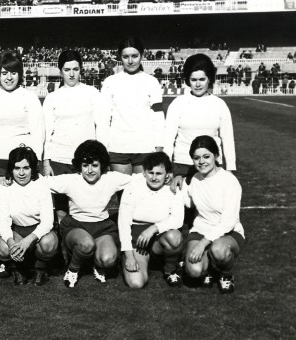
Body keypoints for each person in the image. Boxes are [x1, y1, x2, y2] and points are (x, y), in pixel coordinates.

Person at [47, 140, 132, 287]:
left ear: (102, 165)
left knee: (109, 259)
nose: (90, 170)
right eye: (85, 165)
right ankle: (73, 269)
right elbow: (42, 183)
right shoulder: (71, 180)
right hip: (76, 227)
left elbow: (138, 180)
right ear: (79, 166)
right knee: (86, 244)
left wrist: (170, 176)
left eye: (94, 165)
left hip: (103, 228)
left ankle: (96, 265)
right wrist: (10, 181)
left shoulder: (111, 178)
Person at [43, 49, 109, 222]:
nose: (71, 74)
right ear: (60, 71)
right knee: (61, 210)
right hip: (59, 158)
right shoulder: (52, 98)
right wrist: (46, 160)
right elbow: (47, 131)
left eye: (75, 69)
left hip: (85, 160)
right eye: (67, 70)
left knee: (85, 206)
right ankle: (63, 246)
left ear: (81, 70)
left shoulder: (92, 93)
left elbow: (102, 127)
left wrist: (102, 158)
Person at [181, 136, 244, 294]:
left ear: (216, 156)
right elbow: (189, 203)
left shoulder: (229, 181)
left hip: (228, 232)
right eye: (196, 158)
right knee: (194, 271)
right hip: (201, 229)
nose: (201, 162)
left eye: (206, 156)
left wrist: (202, 244)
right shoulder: (195, 179)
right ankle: (209, 267)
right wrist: (179, 184)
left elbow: (228, 222)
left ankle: (226, 275)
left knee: (218, 250)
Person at [164, 53, 236, 190]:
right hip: (182, 166)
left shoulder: (219, 104)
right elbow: (168, 139)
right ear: (187, 80)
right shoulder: (178, 103)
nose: (198, 84)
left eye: (202, 79)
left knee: (210, 209)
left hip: (211, 166)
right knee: (183, 209)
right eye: (193, 80)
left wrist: (230, 168)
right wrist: (167, 168)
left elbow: (228, 138)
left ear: (209, 79)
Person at [0, 51, 44, 178]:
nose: (9, 78)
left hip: (21, 161)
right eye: (4, 73)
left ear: (19, 74)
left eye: (13, 73)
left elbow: (38, 132)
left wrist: (35, 160)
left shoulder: (29, 97)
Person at [119, 152, 185, 289]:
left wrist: (153, 228)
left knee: (175, 236)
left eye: (159, 173)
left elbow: (178, 220)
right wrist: (129, 255)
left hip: (158, 238)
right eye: (151, 173)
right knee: (136, 283)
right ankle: (135, 259)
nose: (154, 178)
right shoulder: (133, 186)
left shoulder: (173, 188)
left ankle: (170, 270)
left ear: (167, 174)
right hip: (137, 239)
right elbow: (123, 222)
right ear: (144, 172)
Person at [101, 37, 164, 175]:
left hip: (145, 148)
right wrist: (103, 148)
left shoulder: (151, 82)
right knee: (122, 193)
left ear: (142, 55)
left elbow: (158, 117)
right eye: (126, 57)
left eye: (134, 56)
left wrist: (159, 147)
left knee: (141, 193)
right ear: (120, 57)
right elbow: (103, 119)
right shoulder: (110, 82)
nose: (130, 61)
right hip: (118, 148)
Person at [0, 147, 57, 286]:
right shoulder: (4, 188)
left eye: (26, 168)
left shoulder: (41, 184)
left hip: (37, 232)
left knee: (49, 243)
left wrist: (28, 241)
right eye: (17, 168)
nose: (21, 173)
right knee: (3, 248)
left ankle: (40, 268)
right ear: (11, 169)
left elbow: (47, 222)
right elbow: (3, 223)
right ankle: (16, 269)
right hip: (17, 230)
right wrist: (12, 243)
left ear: (33, 168)